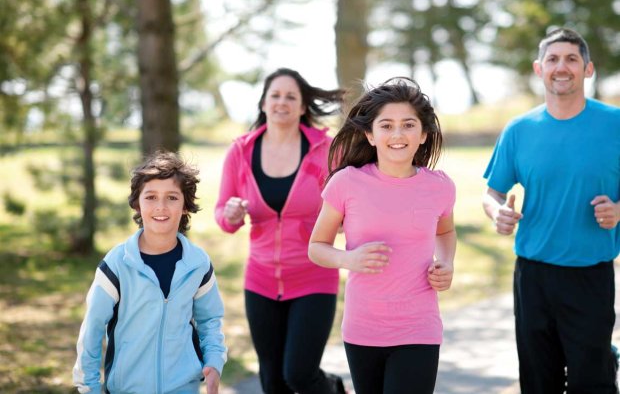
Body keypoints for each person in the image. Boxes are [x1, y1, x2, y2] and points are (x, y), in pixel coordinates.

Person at [482, 27, 620, 393]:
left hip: (590, 274)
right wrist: (497, 213)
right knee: (538, 381)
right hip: (533, 277)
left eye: (572, 58)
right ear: (539, 68)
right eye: (553, 59)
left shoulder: (615, 124)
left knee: (592, 383)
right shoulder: (519, 129)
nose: (562, 67)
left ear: (588, 69)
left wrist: (619, 210)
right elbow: (492, 192)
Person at [308, 77, 457, 394]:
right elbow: (316, 247)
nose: (398, 134)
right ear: (370, 135)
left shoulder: (439, 186)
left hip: (419, 327)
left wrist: (446, 263)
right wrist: (349, 258)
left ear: (424, 133)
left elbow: (446, 231)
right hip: (364, 328)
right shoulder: (346, 183)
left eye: (408, 125)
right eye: (386, 126)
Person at [214, 67, 346, 394]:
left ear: (303, 107)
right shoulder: (241, 152)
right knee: (272, 382)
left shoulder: (326, 150)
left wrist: (344, 221)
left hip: (314, 275)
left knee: (299, 374)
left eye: (291, 96)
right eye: (275, 95)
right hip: (260, 279)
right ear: (263, 103)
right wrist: (230, 214)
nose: (281, 102)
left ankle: (334, 389)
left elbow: (348, 204)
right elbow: (222, 215)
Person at [73, 151, 227, 394]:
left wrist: (214, 362)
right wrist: (89, 387)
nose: (161, 207)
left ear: (186, 205)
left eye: (172, 197)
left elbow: (209, 321)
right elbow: (92, 329)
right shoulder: (117, 264)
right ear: (137, 203)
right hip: (127, 389)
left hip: (183, 387)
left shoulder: (198, 264)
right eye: (151, 197)